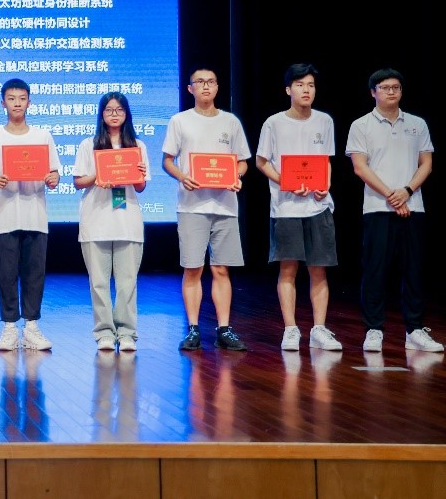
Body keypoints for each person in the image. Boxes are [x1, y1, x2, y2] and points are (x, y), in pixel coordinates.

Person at [346, 68, 441, 353]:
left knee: (414, 270)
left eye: (396, 87)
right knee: (375, 269)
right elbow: (360, 167)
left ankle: (415, 330)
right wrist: (391, 195)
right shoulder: (361, 125)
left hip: (413, 206)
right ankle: (374, 329)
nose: (391, 92)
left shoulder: (417, 124)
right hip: (377, 207)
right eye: (385, 87)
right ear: (373, 92)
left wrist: (406, 192)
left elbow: (426, 163)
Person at [160, 68, 251, 352]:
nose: (206, 86)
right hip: (191, 206)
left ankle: (224, 329)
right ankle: (193, 329)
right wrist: (182, 176)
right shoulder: (180, 120)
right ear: (190, 88)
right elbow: (167, 160)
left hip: (225, 205)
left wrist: (237, 176)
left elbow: (242, 161)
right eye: (199, 82)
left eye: (211, 81)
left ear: (217, 86)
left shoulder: (230, 122)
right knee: (193, 268)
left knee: (222, 269)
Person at [255, 63, 341, 352]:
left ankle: (319, 329)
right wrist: (287, 182)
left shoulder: (325, 121)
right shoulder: (274, 123)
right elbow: (262, 162)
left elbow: (325, 160)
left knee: (319, 271)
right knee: (288, 270)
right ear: (288, 90)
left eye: (311, 85)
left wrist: (325, 185)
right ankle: (291, 329)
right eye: (300, 85)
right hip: (287, 208)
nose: (307, 90)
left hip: (318, 206)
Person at [0, 78, 60, 351]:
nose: (17, 104)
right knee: (7, 273)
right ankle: (9, 327)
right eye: (11, 99)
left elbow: (55, 172)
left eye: (22, 98)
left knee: (35, 273)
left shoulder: (42, 136)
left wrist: (53, 179)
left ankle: (31, 327)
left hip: (36, 215)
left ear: (29, 102)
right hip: (4, 215)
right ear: (3, 103)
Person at [72, 92, 149, 352]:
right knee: (99, 282)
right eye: (109, 110)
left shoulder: (137, 146)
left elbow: (140, 186)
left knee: (128, 282)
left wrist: (137, 175)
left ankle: (127, 333)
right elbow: (78, 181)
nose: (114, 114)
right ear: (101, 114)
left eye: (119, 110)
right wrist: (99, 175)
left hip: (127, 221)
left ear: (126, 114)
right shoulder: (89, 144)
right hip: (96, 220)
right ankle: (104, 332)